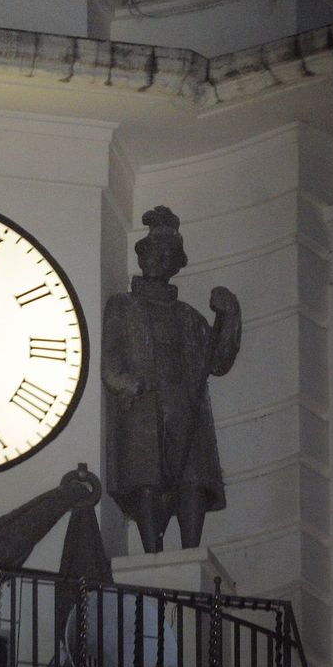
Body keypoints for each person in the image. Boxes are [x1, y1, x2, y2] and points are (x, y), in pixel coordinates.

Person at [102, 206, 241, 551]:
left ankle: (190, 550)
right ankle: (152, 551)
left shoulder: (188, 317)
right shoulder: (122, 306)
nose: (158, 260)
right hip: (144, 407)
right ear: (142, 258)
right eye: (152, 253)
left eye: (167, 255)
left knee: (192, 478)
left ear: (176, 263)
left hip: (184, 406)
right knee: (145, 478)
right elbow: (111, 357)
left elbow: (218, 361)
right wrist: (124, 383)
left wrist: (229, 317)